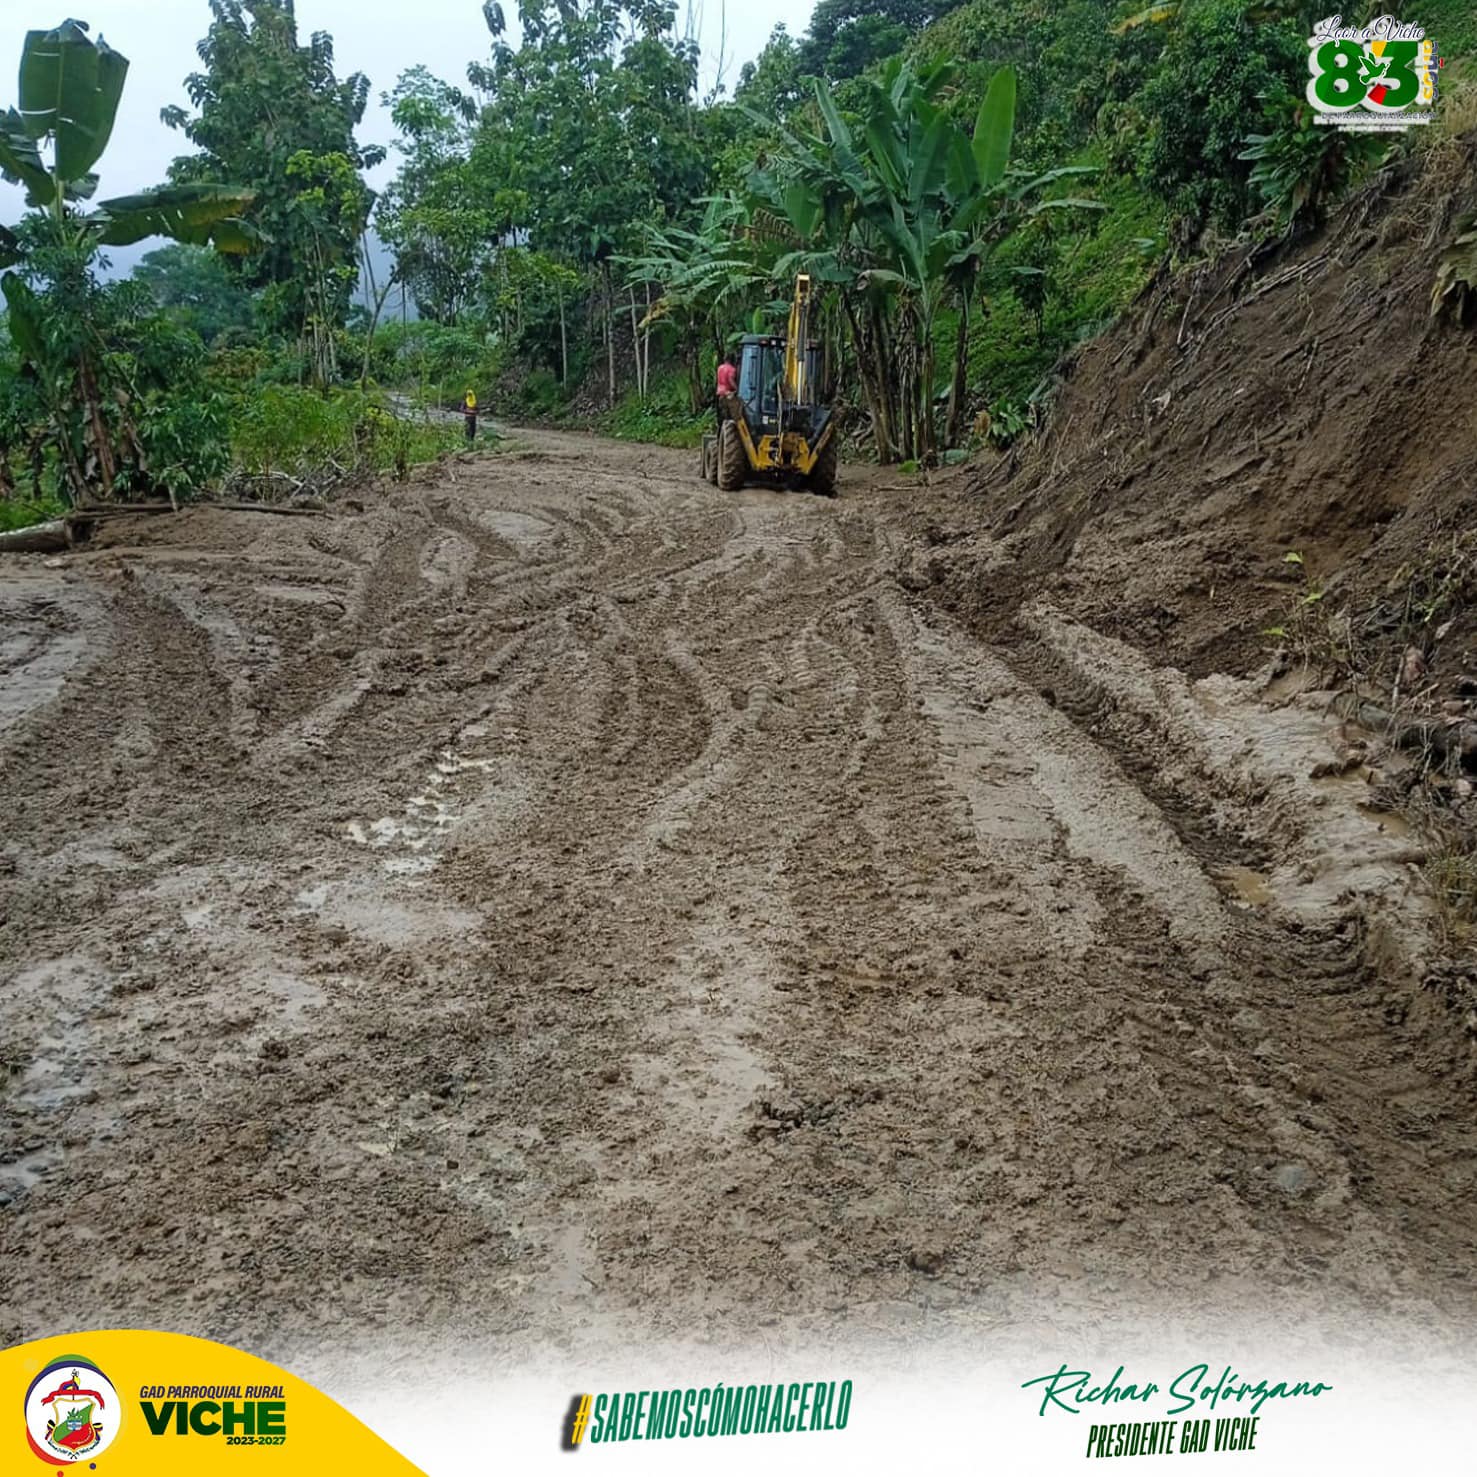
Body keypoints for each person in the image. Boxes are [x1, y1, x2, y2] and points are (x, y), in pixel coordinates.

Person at [715, 352, 738, 430]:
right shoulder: (732, 369)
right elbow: (731, 380)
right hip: (727, 394)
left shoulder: (720, 368)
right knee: (730, 417)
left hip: (719, 393)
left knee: (722, 417)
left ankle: (720, 431)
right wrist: (737, 389)